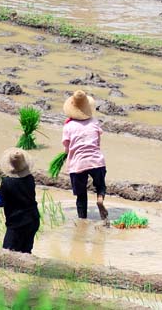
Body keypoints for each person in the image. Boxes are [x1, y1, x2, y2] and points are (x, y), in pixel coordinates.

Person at [63, 90, 109, 223]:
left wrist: (68, 155)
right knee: (101, 186)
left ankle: (82, 220)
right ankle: (100, 199)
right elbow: (97, 144)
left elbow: (67, 149)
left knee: (81, 196)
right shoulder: (94, 122)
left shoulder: (68, 126)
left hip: (78, 164)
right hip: (96, 161)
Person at [0, 148, 41, 254]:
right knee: (25, 252)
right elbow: (20, 193)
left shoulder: (7, 182)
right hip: (32, 220)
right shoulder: (30, 178)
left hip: (17, 223)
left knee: (8, 253)